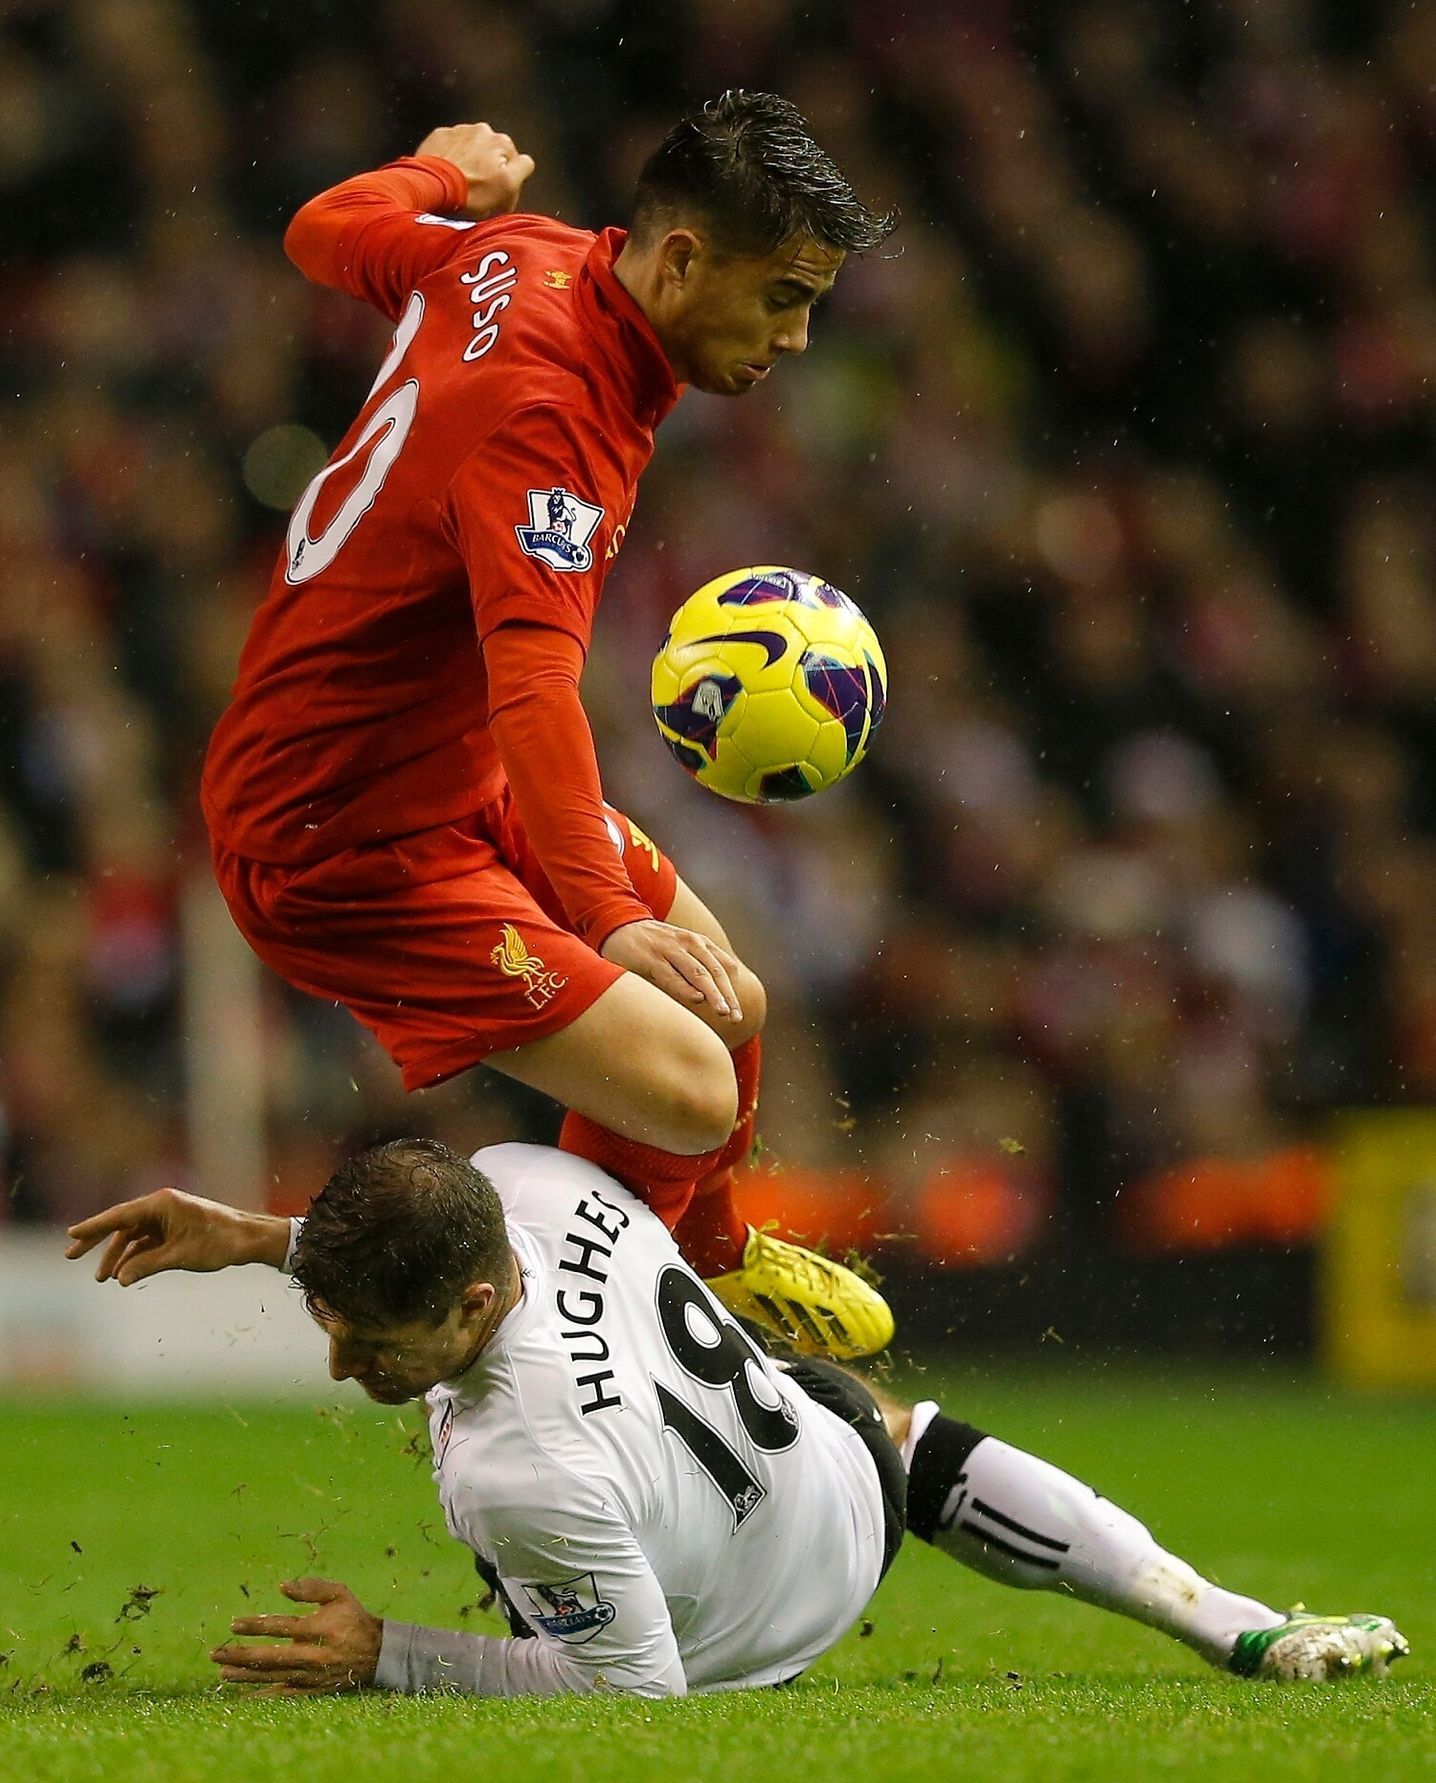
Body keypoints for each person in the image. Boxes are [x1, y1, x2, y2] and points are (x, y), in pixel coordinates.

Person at [199, 89, 898, 1360]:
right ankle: (568, 1355)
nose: (795, 339)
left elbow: (317, 230)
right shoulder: (554, 419)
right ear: (680, 257)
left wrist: (429, 175)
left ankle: (707, 1261)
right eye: (783, 296)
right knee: (687, 1086)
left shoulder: (521, 253)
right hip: (336, 840)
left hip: (432, 774)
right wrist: (603, 914)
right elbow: (533, 683)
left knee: (729, 1005)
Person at [66, 1142, 1407, 1696]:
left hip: (746, 1632)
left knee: (579, 1587)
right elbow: (416, 1231)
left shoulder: (516, 1469)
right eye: (329, 1315)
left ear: (474, 1302)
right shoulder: (525, 1178)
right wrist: (261, 1234)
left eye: (375, 1337)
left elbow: (635, 1696)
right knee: (885, 1423)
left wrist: (391, 1655)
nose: (343, 1359)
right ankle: (1234, 1621)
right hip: (828, 1470)